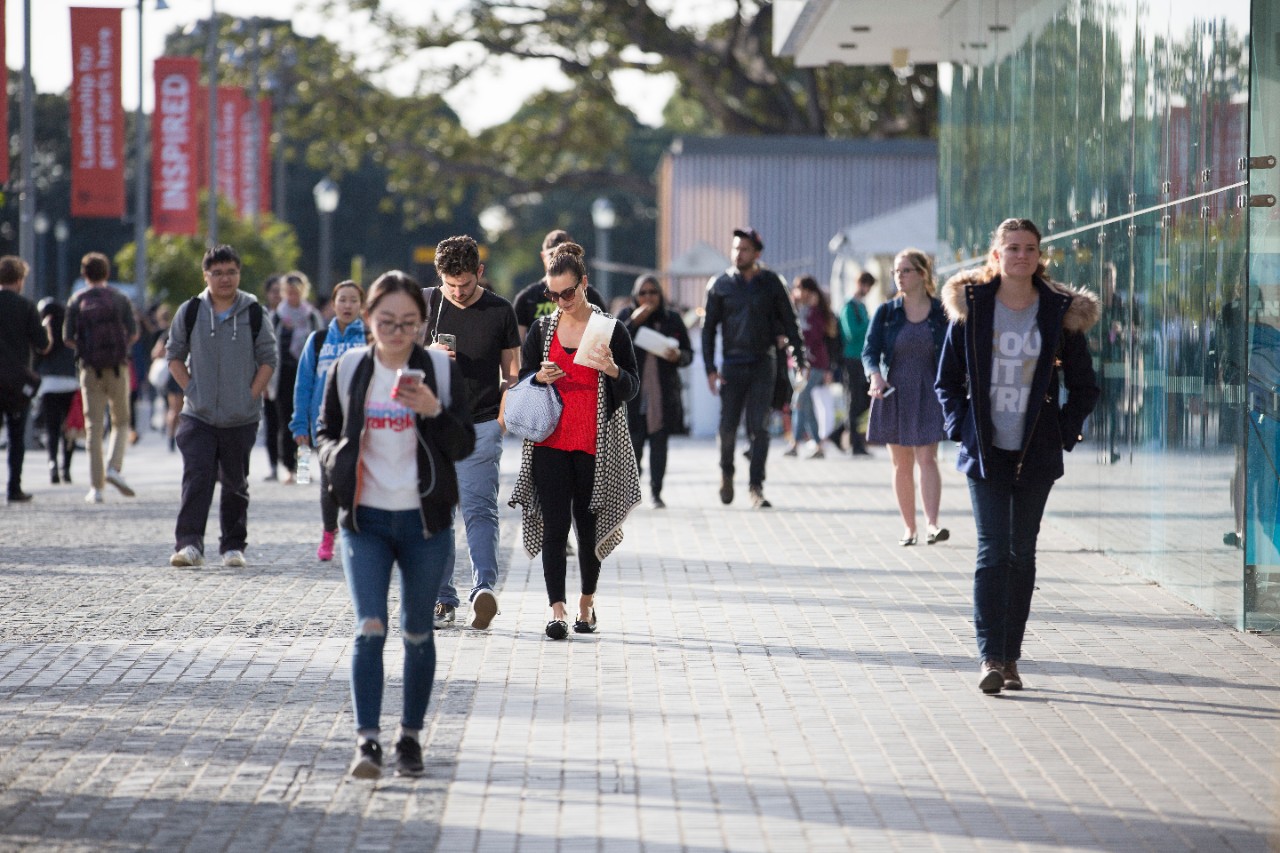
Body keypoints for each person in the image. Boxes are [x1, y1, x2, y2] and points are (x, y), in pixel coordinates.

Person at [315, 271, 474, 779]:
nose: (397, 331)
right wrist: (335, 460)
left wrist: (433, 411)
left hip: (424, 524)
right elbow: (325, 432)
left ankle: (409, 737)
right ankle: (367, 742)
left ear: (422, 324)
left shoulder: (443, 374)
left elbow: (464, 444)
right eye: (387, 321)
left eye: (408, 323)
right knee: (369, 627)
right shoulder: (349, 368)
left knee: (418, 631)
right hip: (365, 520)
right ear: (369, 320)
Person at [936, 218, 1100, 694]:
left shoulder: (1058, 312)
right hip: (986, 450)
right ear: (996, 255)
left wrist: (1061, 433)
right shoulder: (972, 307)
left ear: (1039, 255)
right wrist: (960, 427)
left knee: (1021, 553)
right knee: (992, 552)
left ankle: (1011, 659)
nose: (1021, 256)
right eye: (1012, 248)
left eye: (1029, 248)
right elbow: (947, 380)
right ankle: (989, 655)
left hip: (1036, 452)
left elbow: (1085, 386)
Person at [508, 242, 640, 640]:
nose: (560, 301)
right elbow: (524, 378)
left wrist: (613, 370)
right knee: (553, 527)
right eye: (552, 294)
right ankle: (557, 610)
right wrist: (538, 376)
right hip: (550, 442)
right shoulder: (542, 329)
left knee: (587, 526)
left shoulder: (610, 329)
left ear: (584, 284)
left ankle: (586, 603)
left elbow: (631, 387)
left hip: (593, 445)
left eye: (567, 292)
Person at [422, 236, 521, 630]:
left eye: (465, 283)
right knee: (438, 514)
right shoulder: (429, 303)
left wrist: (500, 421)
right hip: (433, 425)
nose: (459, 292)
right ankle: (443, 599)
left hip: (480, 424)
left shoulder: (500, 311)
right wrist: (427, 352)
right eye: (451, 285)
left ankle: (484, 589)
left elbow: (512, 374)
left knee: (480, 510)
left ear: (480, 272)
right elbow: (399, 359)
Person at [165, 245, 277, 568]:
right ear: (206, 276)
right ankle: (188, 544)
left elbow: (268, 358)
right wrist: (193, 389)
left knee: (235, 483)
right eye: (218, 273)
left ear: (238, 274)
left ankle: (232, 546)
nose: (225, 279)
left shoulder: (254, 311)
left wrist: (250, 395)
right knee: (196, 477)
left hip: (240, 416)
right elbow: (173, 355)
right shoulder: (191, 310)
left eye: (231, 272)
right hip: (197, 415)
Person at [702, 227, 806, 509]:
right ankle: (726, 471)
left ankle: (755, 486)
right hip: (732, 365)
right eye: (736, 248)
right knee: (727, 427)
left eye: (744, 249)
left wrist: (800, 357)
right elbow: (708, 330)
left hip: (764, 362)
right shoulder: (720, 285)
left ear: (757, 253)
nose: (738, 254)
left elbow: (790, 321)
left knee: (759, 428)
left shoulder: (772, 282)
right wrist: (710, 368)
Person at [863, 249, 950, 547]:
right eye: (896, 271)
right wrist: (875, 375)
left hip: (929, 392)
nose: (899, 275)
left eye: (906, 270)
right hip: (894, 390)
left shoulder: (941, 313)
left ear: (923, 274)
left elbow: (953, 353)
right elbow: (870, 351)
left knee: (927, 457)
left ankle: (932, 524)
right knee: (901, 463)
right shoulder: (887, 313)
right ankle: (909, 528)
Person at [290, 280, 368, 562]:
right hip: (326, 426)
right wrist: (300, 425)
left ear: (362, 306)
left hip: (363, 425)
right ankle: (328, 533)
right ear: (333, 305)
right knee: (329, 485)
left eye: (353, 301)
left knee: (361, 483)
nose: (347, 306)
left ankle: (359, 536)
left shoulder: (369, 340)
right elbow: (304, 384)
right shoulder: (318, 341)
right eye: (342, 300)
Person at [64, 252, 139, 503]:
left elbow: (67, 337)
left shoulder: (77, 300)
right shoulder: (119, 298)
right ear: (107, 273)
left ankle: (96, 488)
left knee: (93, 426)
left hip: (89, 369)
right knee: (120, 422)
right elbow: (134, 333)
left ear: (84, 274)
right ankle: (114, 468)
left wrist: (86, 347)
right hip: (118, 367)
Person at [616, 274, 692, 508]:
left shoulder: (672, 319)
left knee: (660, 444)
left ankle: (656, 492)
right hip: (634, 394)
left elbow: (688, 354)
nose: (648, 297)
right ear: (635, 296)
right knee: (634, 442)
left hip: (663, 393)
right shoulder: (626, 317)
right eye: (643, 293)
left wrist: (678, 356)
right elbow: (613, 345)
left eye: (653, 292)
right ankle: (632, 491)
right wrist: (634, 323)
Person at [0, 256, 49, 502]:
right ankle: (13, 487)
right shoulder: (26, 306)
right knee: (16, 436)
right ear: (19, 280)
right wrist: (47, 328)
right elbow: (43, 344)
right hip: (16, 382)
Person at [272, 272, 325, 484]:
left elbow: (321, 344)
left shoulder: (311, 316)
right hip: (283, 375)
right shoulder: (276, 316)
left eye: (297, 292)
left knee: (307, 422)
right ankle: (287, 467)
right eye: (289, 292)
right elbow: (268, 348)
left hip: (307, 375)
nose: (293, 296)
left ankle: (303, 468)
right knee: (285, 423)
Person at [513, 229, 607, 341]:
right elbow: (518, 348)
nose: (559, 259)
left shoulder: (590, 295)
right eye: (553, 255)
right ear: (543, 257)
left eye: (566, 254)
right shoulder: (526, 298)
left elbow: (605, 337)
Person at [784, 275, 836, 459]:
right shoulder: (794, 308)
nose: (798, 292)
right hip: (795, 362)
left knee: (799, 400)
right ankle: (817, 445)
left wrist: (813, 309)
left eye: (801, 288)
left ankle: (795, 444)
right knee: (804, 405)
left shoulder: (818, 311)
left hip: (814, 364)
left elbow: (816, 335)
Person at [35, 298, 80, 484]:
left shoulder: (45, 328)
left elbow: (37, 354)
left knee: (51, 429)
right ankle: (66, 469)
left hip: (48, 385)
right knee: (69, 429)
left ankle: (52, 464)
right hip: (71, 383)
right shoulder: (69, 328)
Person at [838, 272, 875, 456]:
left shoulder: (862, 307)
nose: (866, 289)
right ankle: (854, 443)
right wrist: (869, 324)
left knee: (866, 400)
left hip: (863, 359)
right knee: (854, 401)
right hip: (851, 359)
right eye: (864, 284)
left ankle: (841, 434)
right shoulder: (849, 308)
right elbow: (851, 333)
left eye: (868, 285)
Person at [260, 275, 283, 479]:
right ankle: (274, 467)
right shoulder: (263, 315)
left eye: (281, 290)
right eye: (274, 290)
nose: (278, 294)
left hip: (299, 381)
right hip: (272, 380)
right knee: (272, 425)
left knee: (300, 427)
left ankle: (300, 471)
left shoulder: (308, 316)